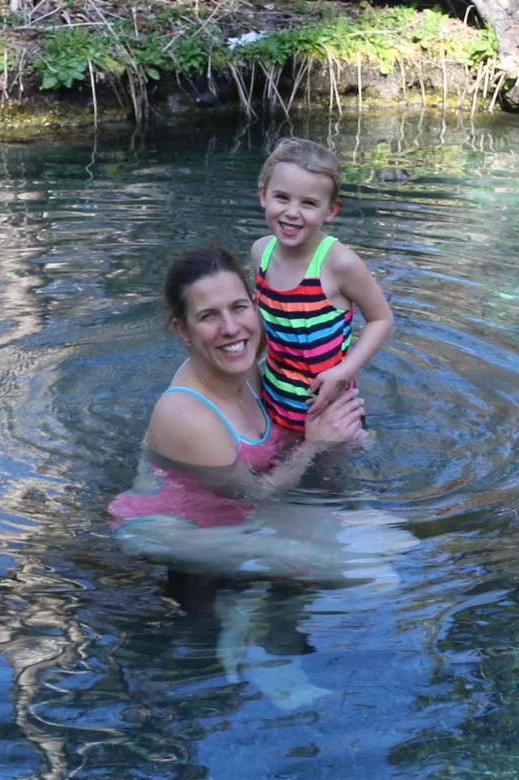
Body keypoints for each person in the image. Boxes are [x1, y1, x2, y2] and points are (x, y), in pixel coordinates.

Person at [111, 244, 370, 582]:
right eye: (209, 315)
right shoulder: (188, 415)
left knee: (390, 542)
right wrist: (315, 445)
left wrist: (342, 431)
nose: (231, 328)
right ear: (183, 331)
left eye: (238, 307)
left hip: (234, 518)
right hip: (174, 531)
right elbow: (253, 492)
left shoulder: (243, 365)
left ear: (255, 305)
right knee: (356, 571)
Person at [248, 137, 395, 437]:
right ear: (264, 195)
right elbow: (265, 323)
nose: (292, 212)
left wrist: (345, 371)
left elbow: (382, 319)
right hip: (274, 403)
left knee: (330, 481)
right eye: (282, 197)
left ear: (330, 211)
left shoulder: (338, 263)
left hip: (332, 412)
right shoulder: (260, 254)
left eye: (309, 203)